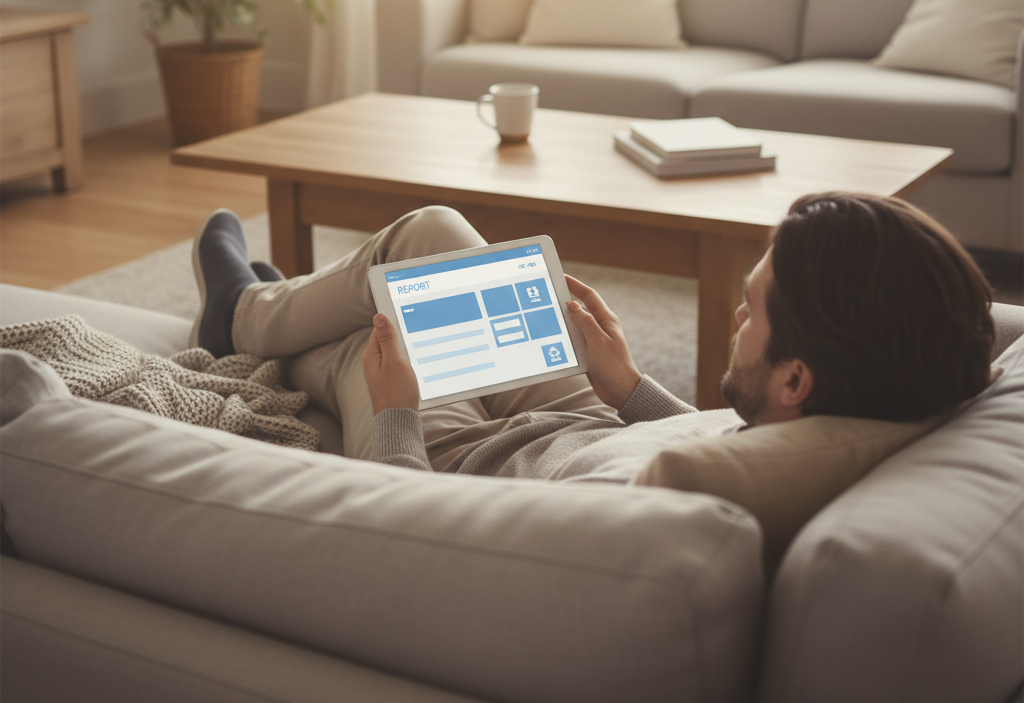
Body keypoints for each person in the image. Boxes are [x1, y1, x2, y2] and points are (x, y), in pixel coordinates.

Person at [190, 192, 995, 480]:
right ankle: (262, 304)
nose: (737, 322)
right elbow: (719, 443)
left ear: (795, 381)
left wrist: (397, 413)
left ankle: (241, 312)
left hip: (450, 462)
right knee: (431, 234)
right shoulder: (862, 399)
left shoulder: (649, 515)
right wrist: (627, 388)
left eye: (752, 312)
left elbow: (413, 536)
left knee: (359, 342)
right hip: (588, 416)